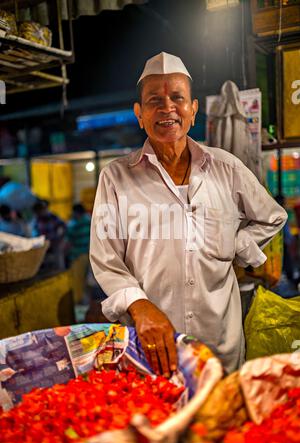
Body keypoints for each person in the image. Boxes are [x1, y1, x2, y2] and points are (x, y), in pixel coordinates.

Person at [90, 52, 287, 376]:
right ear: (139, 114)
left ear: (193, 110)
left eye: (177, 98)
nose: (167, 107)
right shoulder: (116, 177)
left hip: (220, 345)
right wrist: (138, 304)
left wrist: (240, 246)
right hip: (153, 349)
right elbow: (105, 259)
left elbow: (273, 216)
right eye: (154, 100)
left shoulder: (226, 168)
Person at [31, 199, 66, 270]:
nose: (40, 212)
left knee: (58, 260)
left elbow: (63, 226)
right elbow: (34, 233)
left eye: (42, 210)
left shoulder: (53, 217)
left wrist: (60, 237)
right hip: (43, 245)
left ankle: (60, 271)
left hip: (54, 243)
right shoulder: (36, 220)